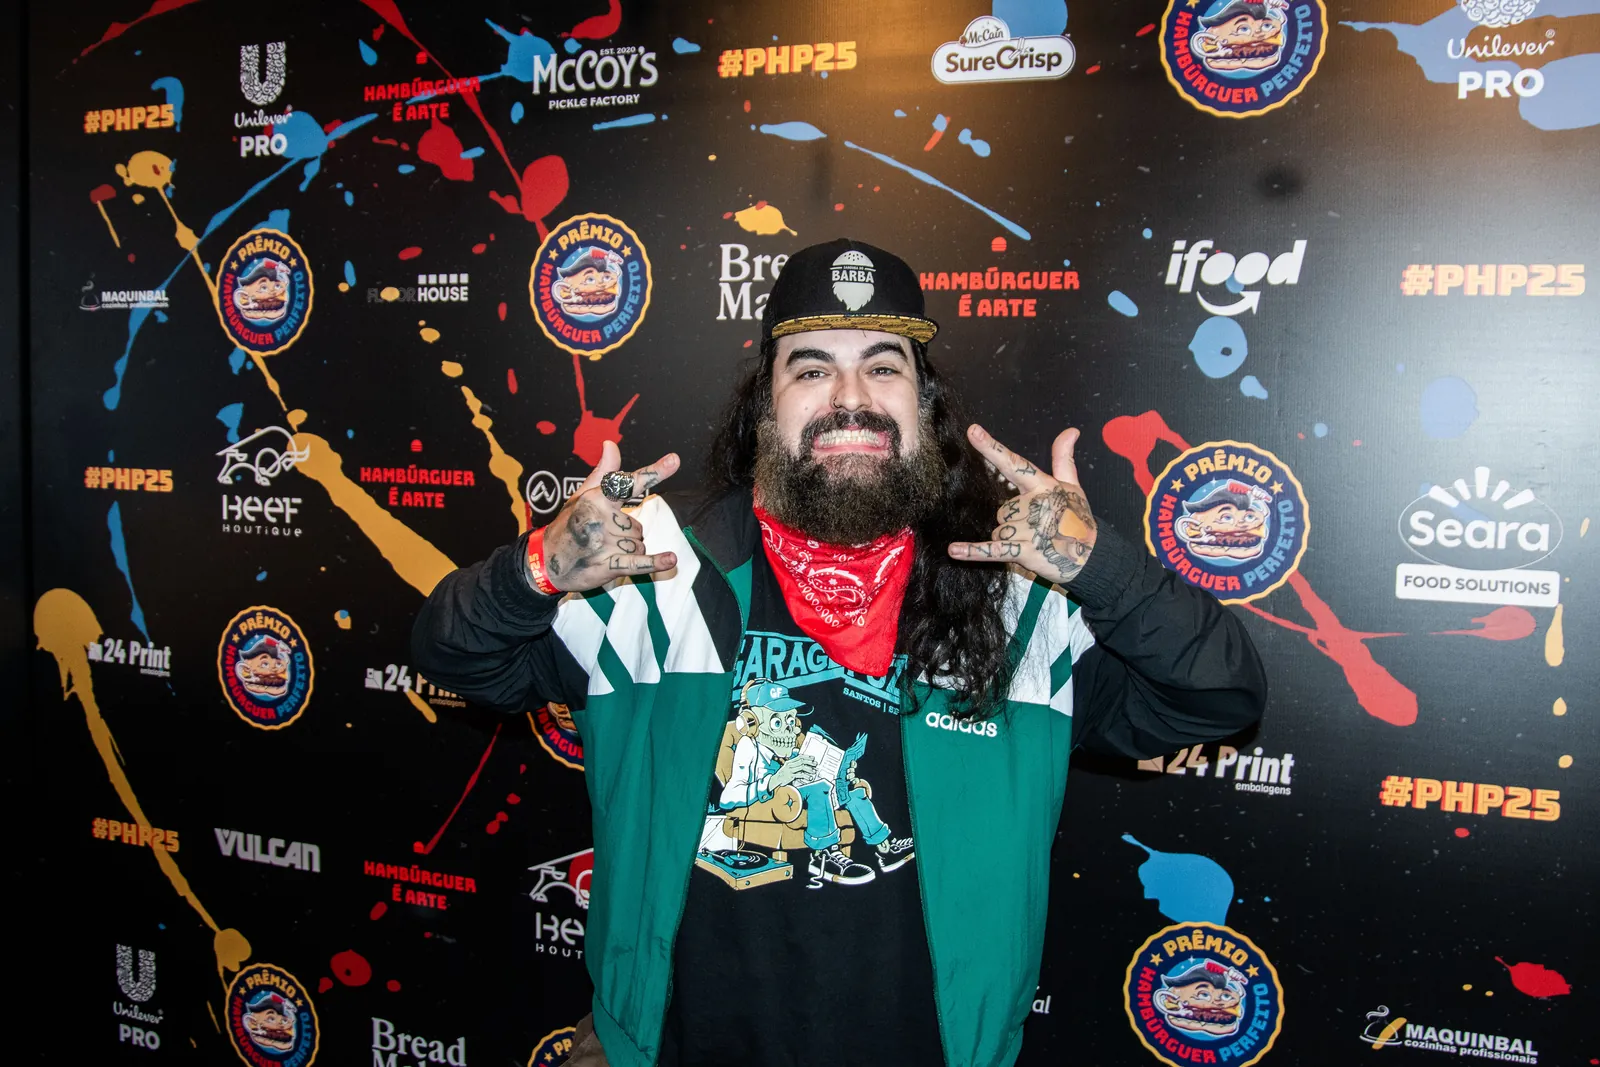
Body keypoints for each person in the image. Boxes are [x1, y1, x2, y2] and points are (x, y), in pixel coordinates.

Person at [412, 237, 1267, 1067]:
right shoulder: (653, 565)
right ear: (766, 405)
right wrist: (539, 567)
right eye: (812, 368)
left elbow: (1217, 695)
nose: (849, 398)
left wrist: (1098, 565)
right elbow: (454, 657)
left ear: (925, 407)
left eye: (884, 367)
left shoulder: (1018, 598)